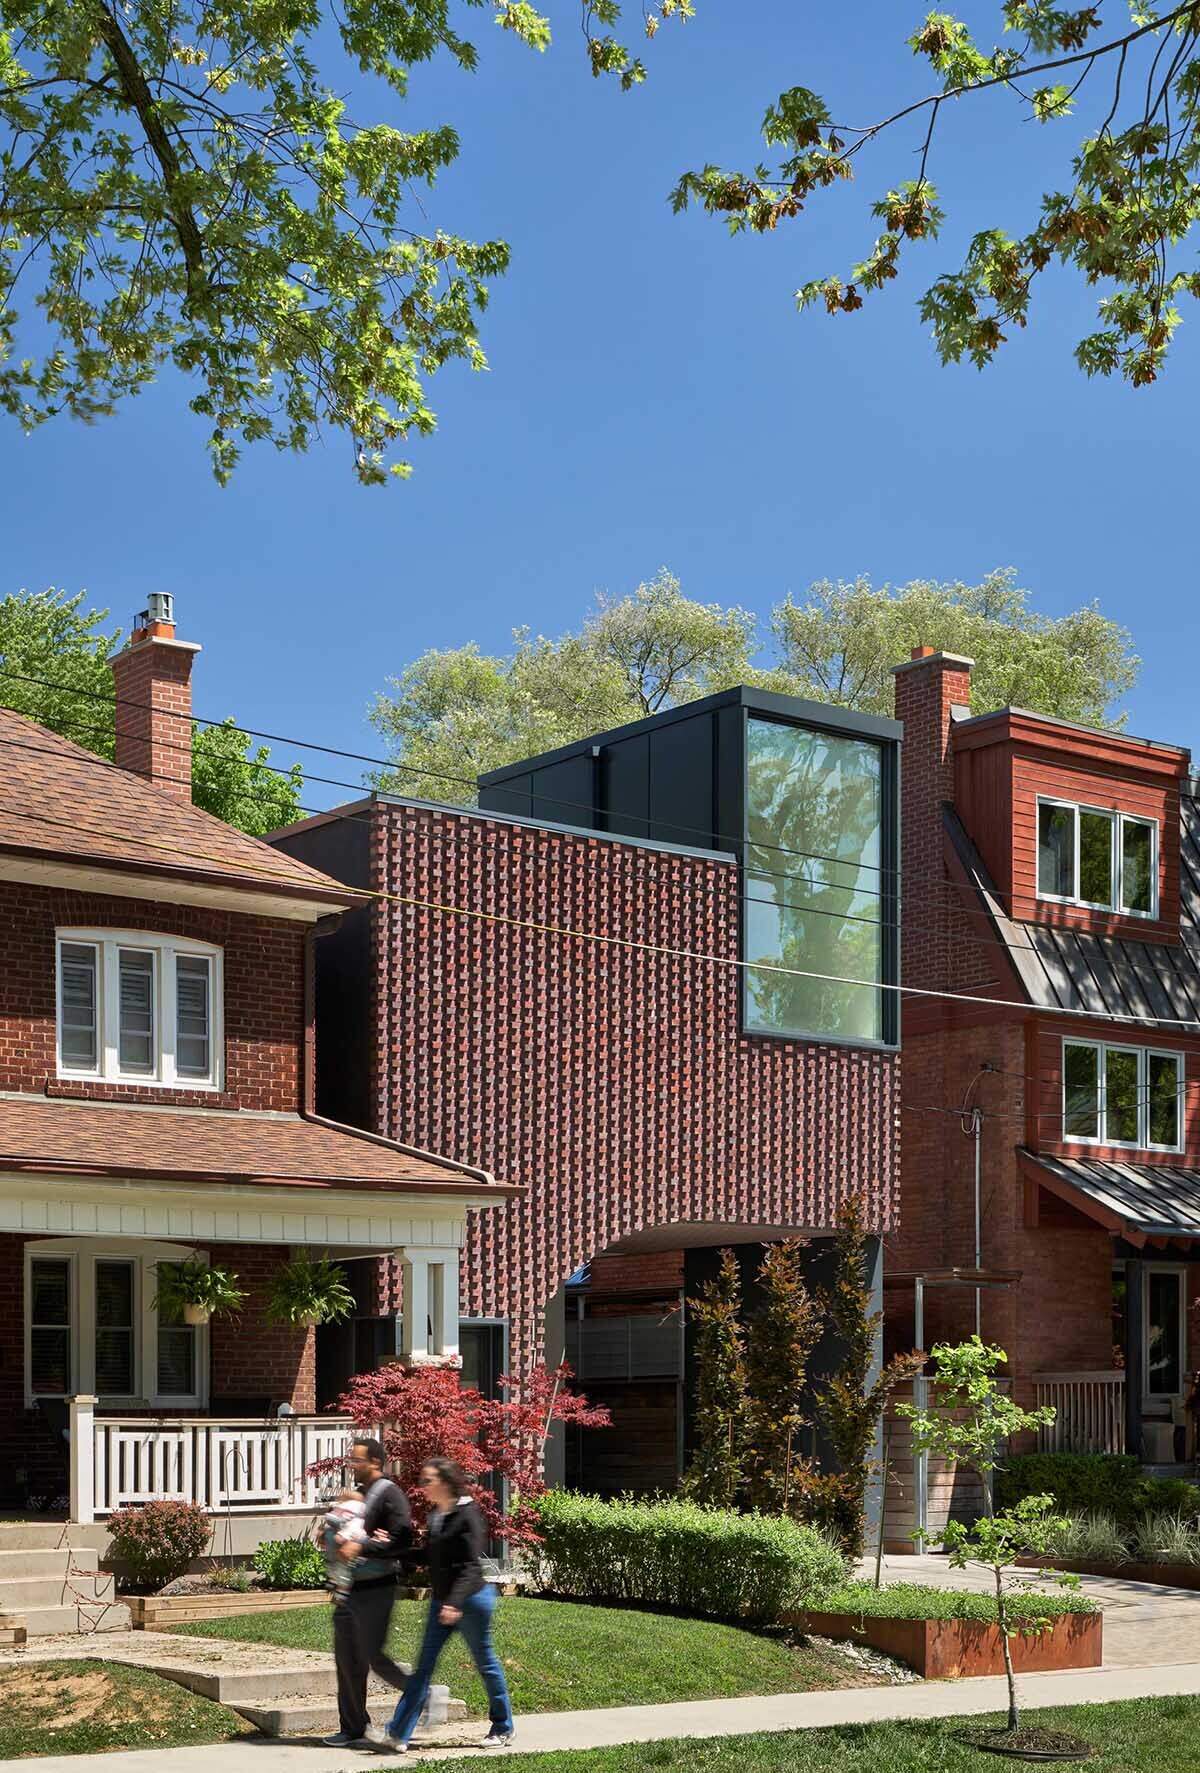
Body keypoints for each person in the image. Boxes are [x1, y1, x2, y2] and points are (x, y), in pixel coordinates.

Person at [377, 1457, 514, 1753]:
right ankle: (398, 1733)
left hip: (471, 1601)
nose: (423, 1486)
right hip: (443, 1601)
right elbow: (430, 1556)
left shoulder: (468, 1515)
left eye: (428, 1481)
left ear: (445, 1482)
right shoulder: (438, 1514)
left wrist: (454, 1602)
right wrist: (392, 1547)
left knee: (486, 1664)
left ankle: (503, 1727)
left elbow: (468, 1566)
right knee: (424, 1667)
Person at [324, 1437, 414, 1749]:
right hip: (348, 1589)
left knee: (374, 1657)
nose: (352, 1464)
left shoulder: (390, 1494)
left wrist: (363, 1545)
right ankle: (353, 1727)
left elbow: (404, 1541)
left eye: (358, 1460)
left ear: (375, 1462)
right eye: (351, 1459)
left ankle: (421, 1693)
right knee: (347, 1659)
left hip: (377, 1589)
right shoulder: (359, 1495)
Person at [322, 1488, 369, 1596]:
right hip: (345, 1540)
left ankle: (340, 1588)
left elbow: (355, 1526)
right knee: (338, 1563)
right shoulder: (351, 1508)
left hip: (352, 1541)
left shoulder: (356, 1508)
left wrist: (343, 1535)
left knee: (341, 1564)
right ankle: (336, 1582)